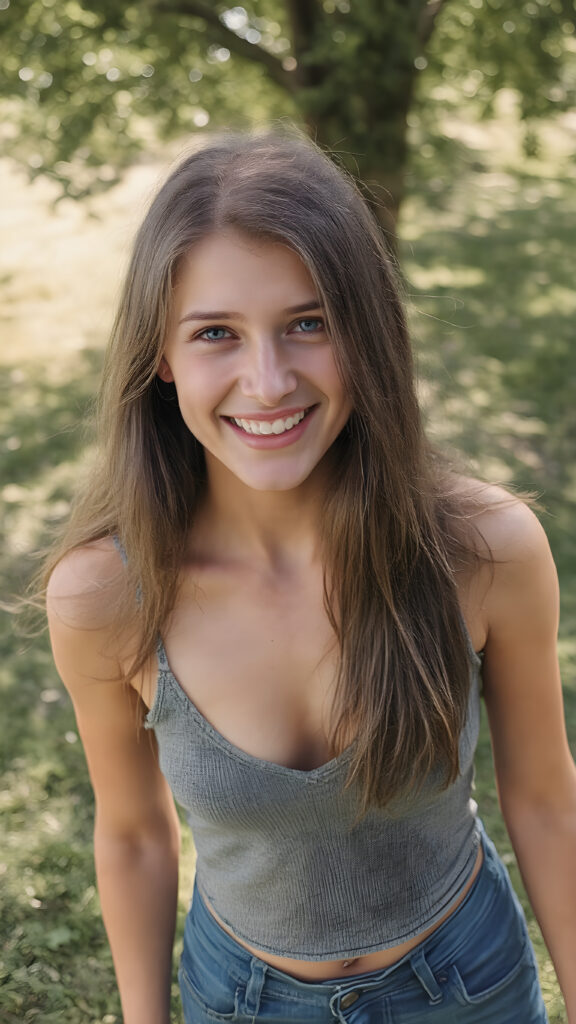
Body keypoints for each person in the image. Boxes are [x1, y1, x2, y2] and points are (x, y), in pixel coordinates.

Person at [45, 131, 576, 1024]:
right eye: (216, 333)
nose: (268, 381)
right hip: (240, 1000)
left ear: (366, 331)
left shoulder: (485, 550)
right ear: (161, 357)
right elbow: (134, 835)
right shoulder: (106, 598)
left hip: (465, 984)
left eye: (309, 323)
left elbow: (544, 794)